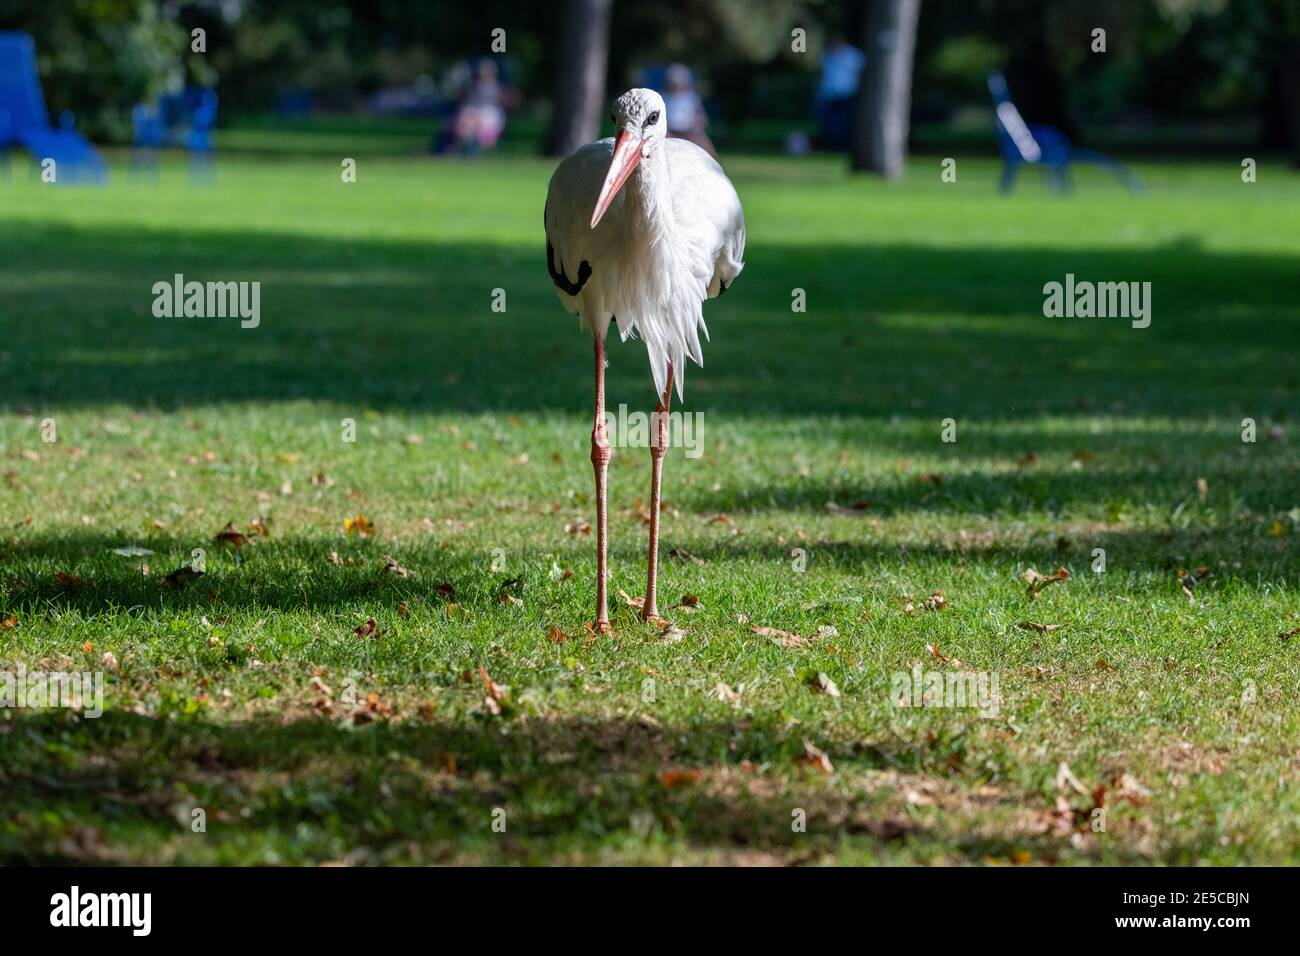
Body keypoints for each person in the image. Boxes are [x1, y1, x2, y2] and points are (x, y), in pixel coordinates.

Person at [816, 34, 865, 151]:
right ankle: (830, 145)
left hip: (847, 95)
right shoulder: (826, 55)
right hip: (829, 96)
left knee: (845, 123)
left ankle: (843, 145)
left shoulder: (853, 55)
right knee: (829, 123)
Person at [662, 64, 717, 158]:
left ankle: (714, 165)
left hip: (690, 132)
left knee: (705, 144)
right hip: (670, 132)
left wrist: (697, 126)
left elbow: (700, 115)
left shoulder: (691, 96)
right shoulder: (664, 97)